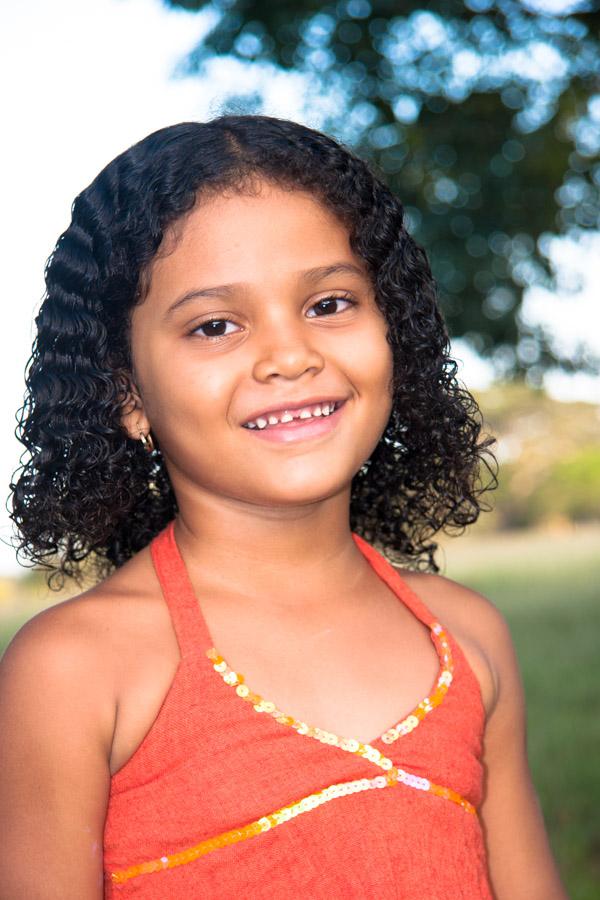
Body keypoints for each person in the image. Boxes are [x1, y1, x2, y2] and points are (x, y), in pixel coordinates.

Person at [0, 116, 567, 899]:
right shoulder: (75, 670)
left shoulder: (468, 642)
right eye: (215, 325)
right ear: (127, 396)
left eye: (329, 304)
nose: (290, 356)